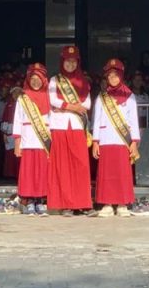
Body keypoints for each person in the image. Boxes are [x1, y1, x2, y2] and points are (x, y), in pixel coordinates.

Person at [91, 59, 141, 217]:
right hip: (105, 140)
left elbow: (134, 120)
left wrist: (134, 142)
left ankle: (122, 204)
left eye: (116, 75)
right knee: (106, 174)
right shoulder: (102, 97)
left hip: (122, 141)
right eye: (110, 76)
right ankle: (106, 204)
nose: (113, 78)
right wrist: (95, 142)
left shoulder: (130, 96)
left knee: (122, 173)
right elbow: (96, 120)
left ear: (121, 76)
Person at [47, 46, 93, 215]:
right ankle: (65, 204)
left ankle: (81, 203)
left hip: (77, 127)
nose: (70, 64)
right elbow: (53, 100)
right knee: (62, 166)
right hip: (59, 127)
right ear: (62, 61)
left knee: (80, 165)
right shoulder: (54, 80)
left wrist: (65, 107)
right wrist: (73, 106)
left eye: (74, 61)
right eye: (68, 61)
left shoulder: (83, 81)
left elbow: (87, 104)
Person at [13, 64, 51, 215]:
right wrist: (17, 143)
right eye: (33, 79)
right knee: (28, 172)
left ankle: (40, 201)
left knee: (42, 172)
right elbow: (17, 121)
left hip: (44, 141)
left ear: (44, 80)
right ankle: (28, 201)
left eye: (38, 79)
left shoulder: (49, 97)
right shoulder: (23, 98)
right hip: (27, 140)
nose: (35, 82)